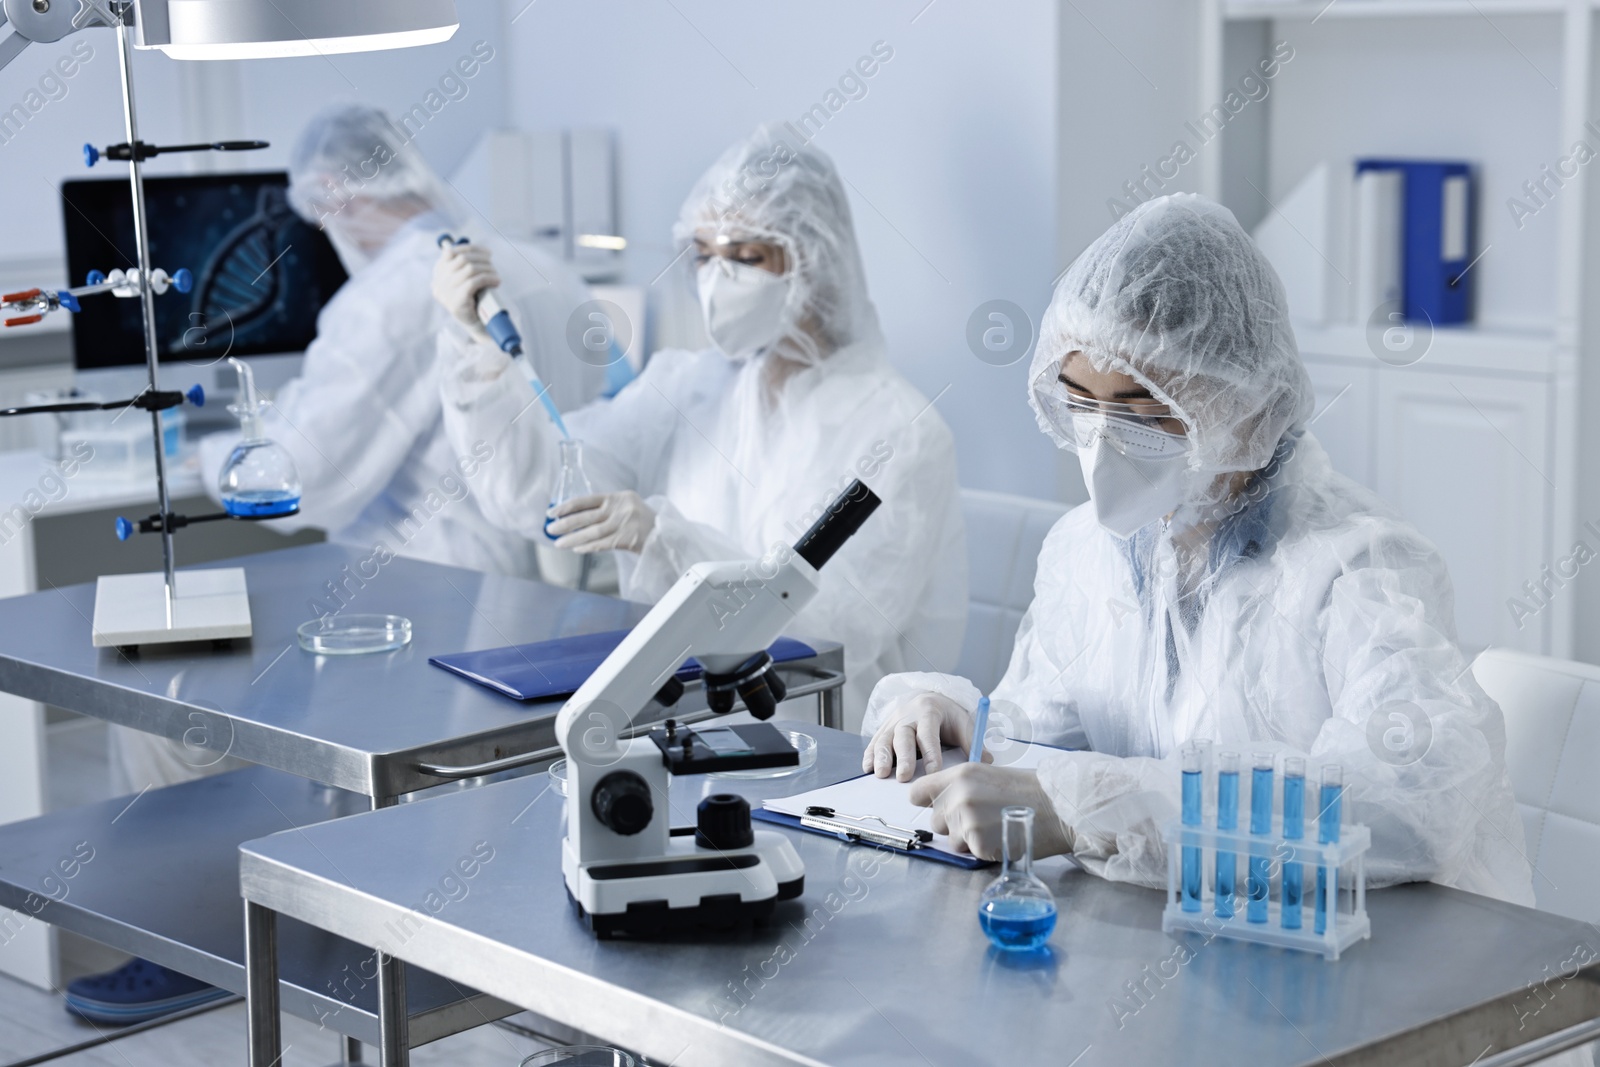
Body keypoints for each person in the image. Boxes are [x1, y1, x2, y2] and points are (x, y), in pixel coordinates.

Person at [71, 105, 603, 1027]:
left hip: (433, 604)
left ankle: (194, 942)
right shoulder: (521, 256)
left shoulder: (389, 293)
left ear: (338, 197)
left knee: (168, 691)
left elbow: (295, 479)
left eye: (319, 219)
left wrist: (205, 456)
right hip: (551, 601)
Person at [862, 193, 1535, 908]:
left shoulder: (1358, 568)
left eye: (1142, 412)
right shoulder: (1087, 552)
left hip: (1372, 960)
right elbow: (1049, 734)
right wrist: (958, 717)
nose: (1102, 444)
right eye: (1080, 404)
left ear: (1241, 394)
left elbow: (1409, 802)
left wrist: (1088, 809)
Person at [432, 123, 966, 719]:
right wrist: (476, 347)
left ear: (814, 259)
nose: (718, 280)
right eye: (706, 256)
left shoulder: (897, 431)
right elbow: (540, 495)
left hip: (824, 737)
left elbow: (827, 629)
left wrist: (664, 540)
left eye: (744, 256)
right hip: (685, 721)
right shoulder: (689, 386)